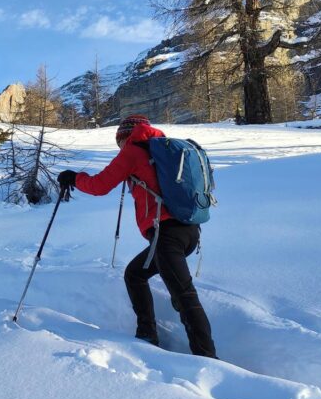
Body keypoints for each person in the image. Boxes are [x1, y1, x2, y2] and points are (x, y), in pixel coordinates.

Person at [57, 115, 217, 358]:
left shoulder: (133, 151)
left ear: (124, 136)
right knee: (135, 274)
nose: (119, 147)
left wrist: (74, 178)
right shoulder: (163, 149)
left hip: (166, 235)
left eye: (119, 141)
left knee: (185, 296)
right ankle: (147, 333)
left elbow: (99, 185)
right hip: (190, 231)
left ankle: (207, 358)